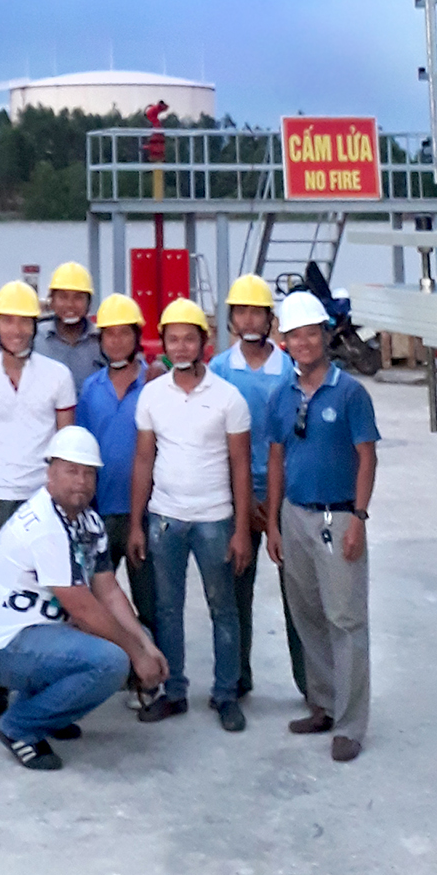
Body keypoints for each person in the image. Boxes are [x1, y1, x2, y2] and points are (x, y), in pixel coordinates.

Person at [0, 426, 168, 771]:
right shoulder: (46, 524)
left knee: (134, 639)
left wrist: (145, 646)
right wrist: (135, 654)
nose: (81, 481)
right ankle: (20, 728)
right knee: (112, 660)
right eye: (71, 470)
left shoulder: (88, 520)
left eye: (89, 472)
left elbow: (107, 590)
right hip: (4, 645)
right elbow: (83, 607)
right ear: (50, 473)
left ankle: (47, 714)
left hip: (39, 631)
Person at [265, 290, 380, 763]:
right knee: (308, 615)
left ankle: (351, 724)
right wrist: (272, 523)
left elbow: (366, 456)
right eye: (295, 336)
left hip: (339, 515)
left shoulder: (350, 393)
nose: (304, 343)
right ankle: (324, 704)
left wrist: (359, 516)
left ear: (325, 336)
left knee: (346, 620)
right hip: (295, 515)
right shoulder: (281, 395)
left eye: (311, 333)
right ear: (285, 341)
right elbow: (276, 459)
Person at [129, 297, 252, 732]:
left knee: (224, 609)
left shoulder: (228, 398)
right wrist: (136, 523)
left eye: (188, 339)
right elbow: (144, 461)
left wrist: (240, 530)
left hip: (215, 519)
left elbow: (240, 465)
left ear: (205, 341)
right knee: (167, 610)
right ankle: (174, 690)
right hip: (164, 518)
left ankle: (225, 693)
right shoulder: (151, 396)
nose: (180, 348)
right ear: (163, 343)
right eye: (172, 339)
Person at [0, 278, 77, 725]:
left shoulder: (58, 377)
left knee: (50, 599)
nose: (16, 330)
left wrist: (67, 508)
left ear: (35, 324)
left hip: (45, 502)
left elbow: (66, 446)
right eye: (8, 320)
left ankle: (46, 694)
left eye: (24, 321)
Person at [209, 274, 306, 703]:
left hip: (285, 497)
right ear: (231, 318)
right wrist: (243, 503)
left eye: (258, 311)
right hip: (235, 497)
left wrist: (276, 502)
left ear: (271, 319)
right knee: (235, 594)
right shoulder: (217, 370)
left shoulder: (289, 371)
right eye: (242, 310)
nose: (249, 319)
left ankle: (312, 684)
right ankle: (236, 678)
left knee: (299, 595)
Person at [73, 293, 157, 672]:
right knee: (98, 600)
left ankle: (151, 676)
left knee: (151, 602)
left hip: (146, 512)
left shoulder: (156, 382)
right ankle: (109, 669)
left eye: (124, 334)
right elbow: (82, 450)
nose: (116, 342)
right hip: (99, 512)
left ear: (137, 337)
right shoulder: (91, 389)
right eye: (109, 335)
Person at [34, 261, 105, 387]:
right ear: (52, 301)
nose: (70, 305)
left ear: (89, 303)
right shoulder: (34, 337)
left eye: (78, 298)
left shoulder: (103, 341)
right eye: (63, 297)